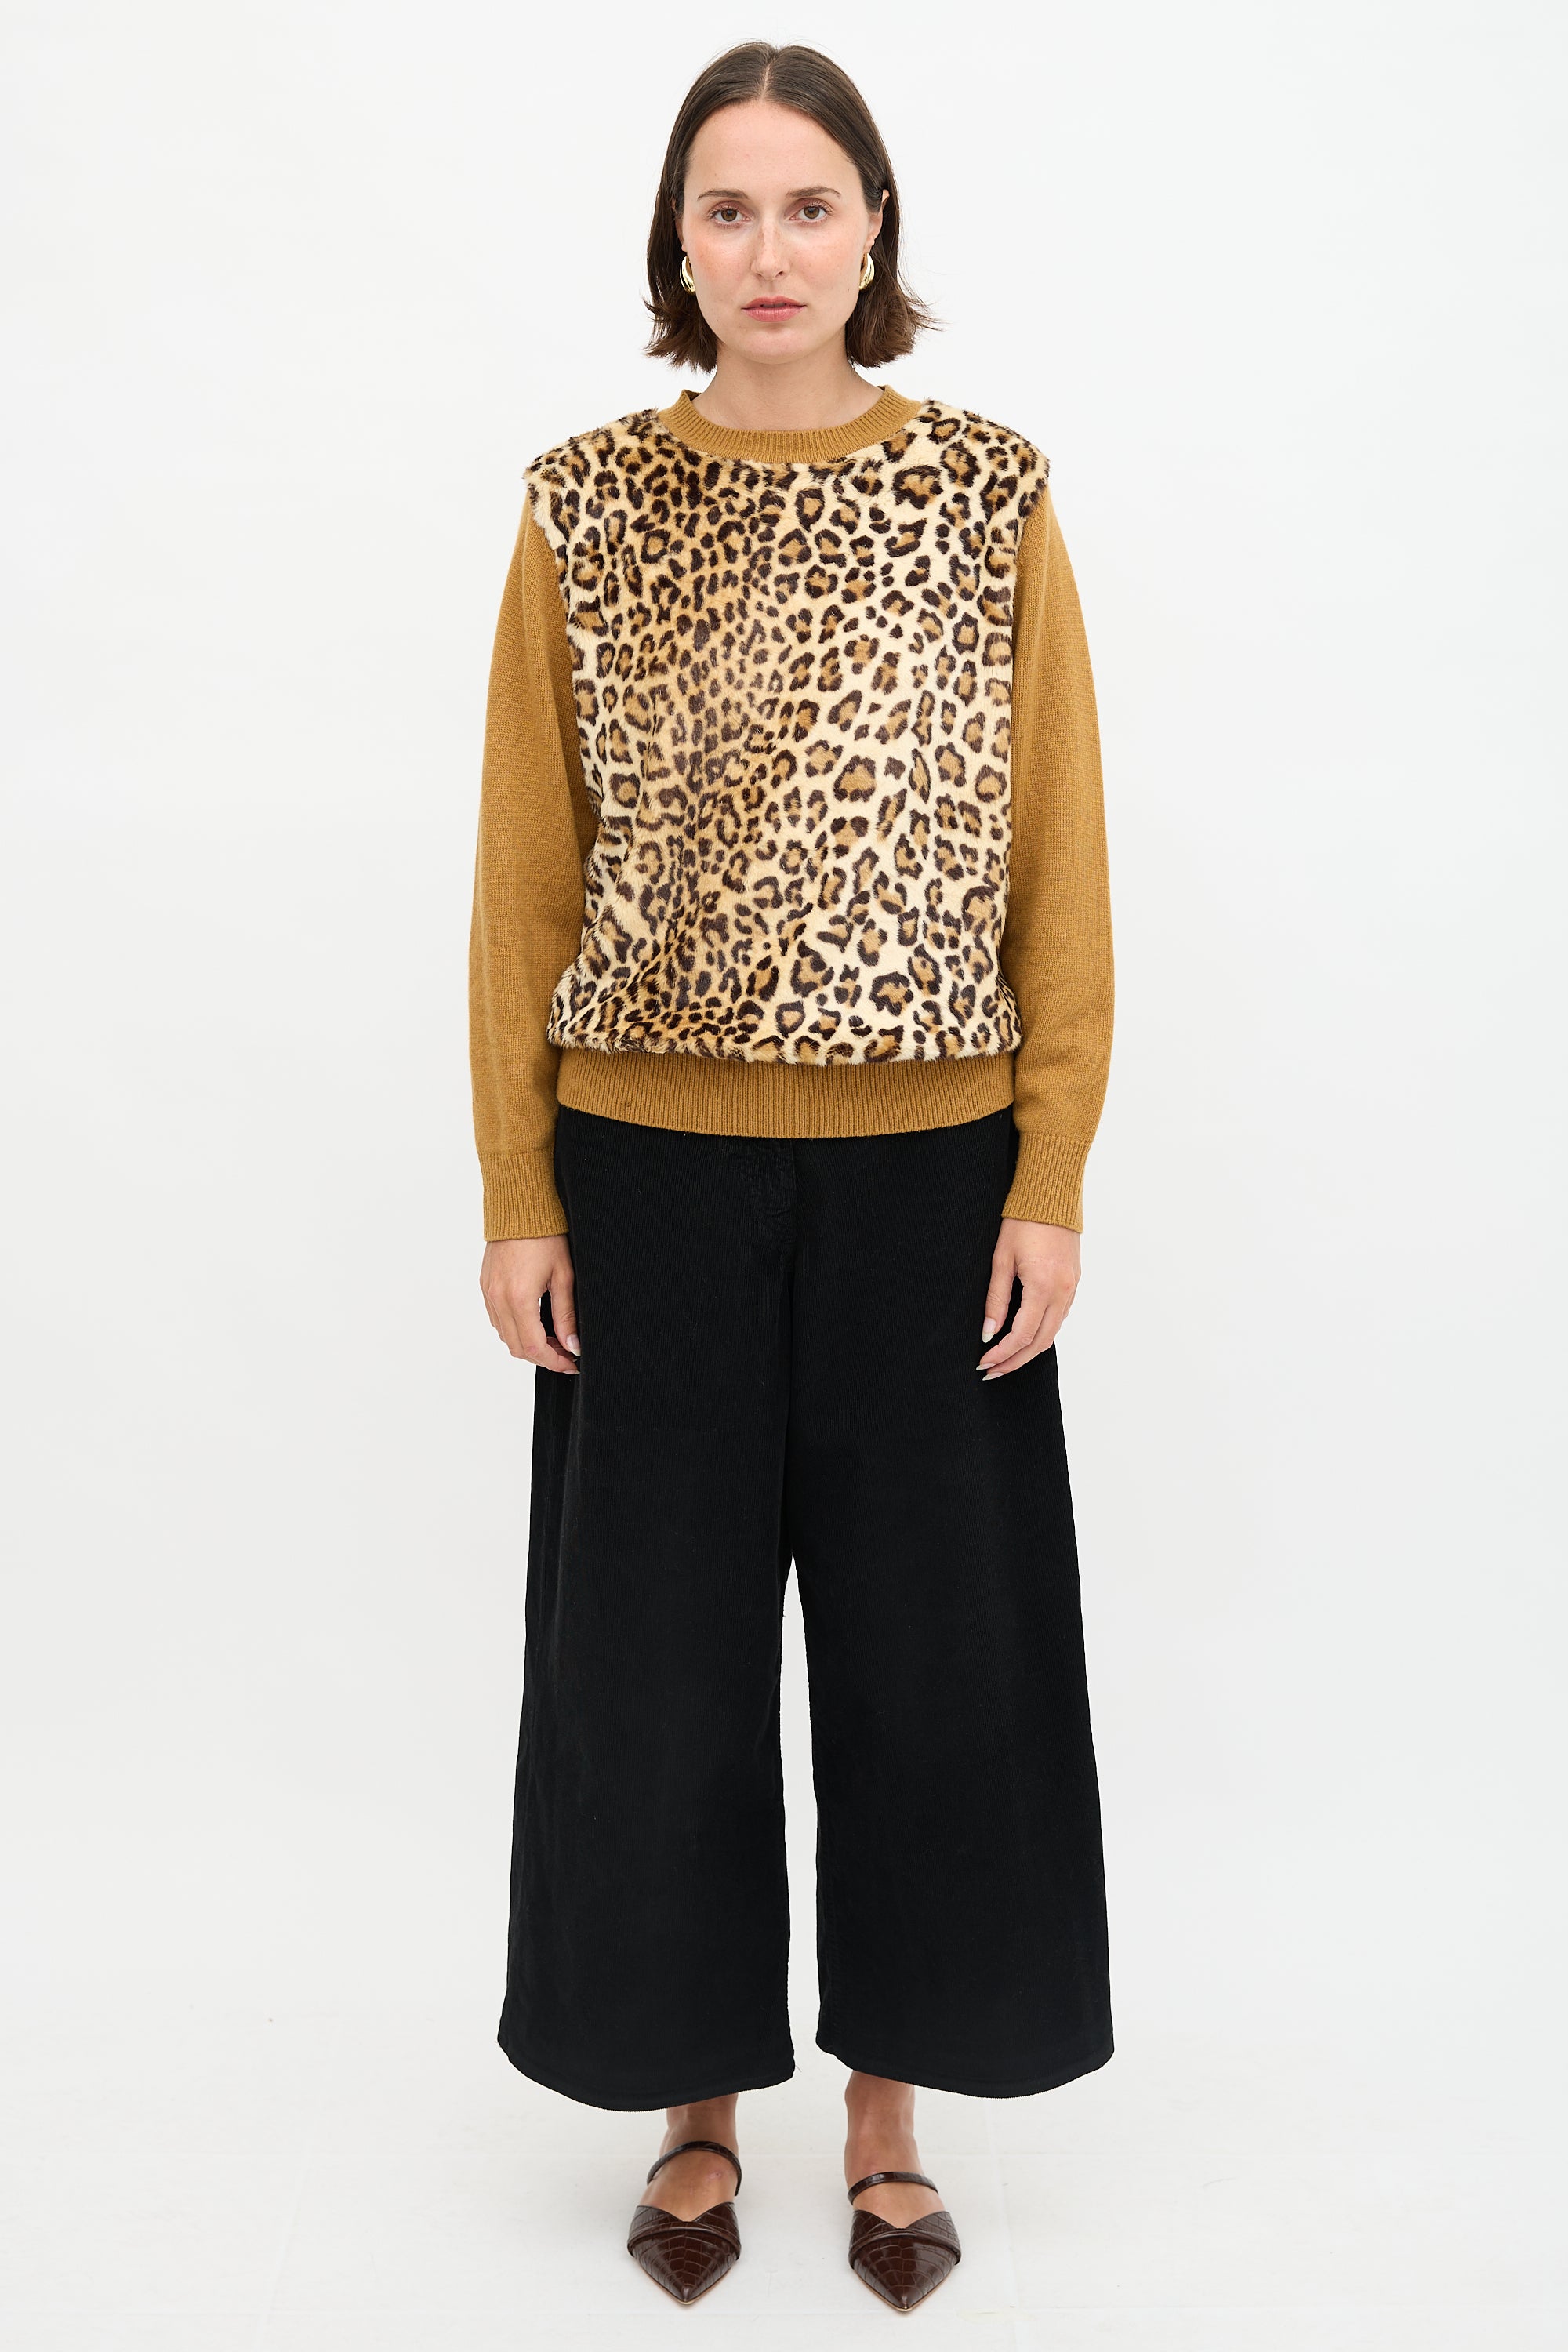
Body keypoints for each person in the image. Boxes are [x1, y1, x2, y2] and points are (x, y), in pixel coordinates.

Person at [469, 39, 1115, 2315]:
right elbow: (525, 876)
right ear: (677, 239)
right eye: (727, 209)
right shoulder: (585, 505)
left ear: (875, 229)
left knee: (938, 1665)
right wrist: (519, 1187)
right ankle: (691, 2110)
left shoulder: (985, 493)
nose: (769, 251)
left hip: (933, 1176)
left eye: (809, 205)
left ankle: (889, 2123)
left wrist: (1051, 1166)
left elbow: (1059, 853)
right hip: (645, 1175)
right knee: (652, 1672)